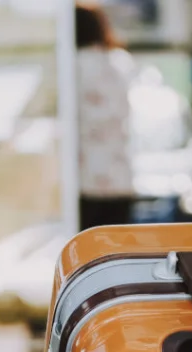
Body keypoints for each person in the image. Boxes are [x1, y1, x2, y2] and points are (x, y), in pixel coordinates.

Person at [75, 3, 135, 231]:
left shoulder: (71, 65)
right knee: (114, 255)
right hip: (121, 180)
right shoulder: (121, 62)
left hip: (85, 181)